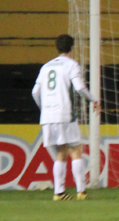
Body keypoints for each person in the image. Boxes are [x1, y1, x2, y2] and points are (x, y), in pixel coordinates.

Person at [31, 34, 100, 200]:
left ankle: (59, 193)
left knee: (61, 152)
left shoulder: (46, 67)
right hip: (64, 114)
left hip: (47, 116)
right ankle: (81, 191)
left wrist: (44, 108)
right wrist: (93, 100)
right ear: (72, 48)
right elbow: (79, 87)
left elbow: (35, 92)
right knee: (75, 149)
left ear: (56, 48)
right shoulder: (71, 65)